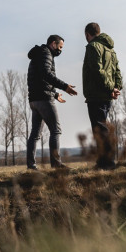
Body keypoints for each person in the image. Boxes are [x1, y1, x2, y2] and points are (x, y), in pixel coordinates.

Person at [26, 35, 78, 169]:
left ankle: (31, 166)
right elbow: (47, 74)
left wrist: (54, 93)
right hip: (43, 99)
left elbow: (40, 79)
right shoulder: (46, 53)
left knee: (35, 134)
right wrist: (64, 86)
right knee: (56, 130)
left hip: (34, 99)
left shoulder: (38, 54)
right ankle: (56, 164)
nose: (61, 51)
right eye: (60, 47)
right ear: (53, 44)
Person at [82, 22, 123, 169]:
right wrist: (116, 87)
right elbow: (117, 71)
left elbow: (97, 71)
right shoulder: (110, 49)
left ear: (88, 34)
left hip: (97, 94)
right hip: (107, 95)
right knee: (102, 127)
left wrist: (111, 88)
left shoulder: (93, 47)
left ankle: (107, 163)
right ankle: (103, 162)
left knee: (99, 130)